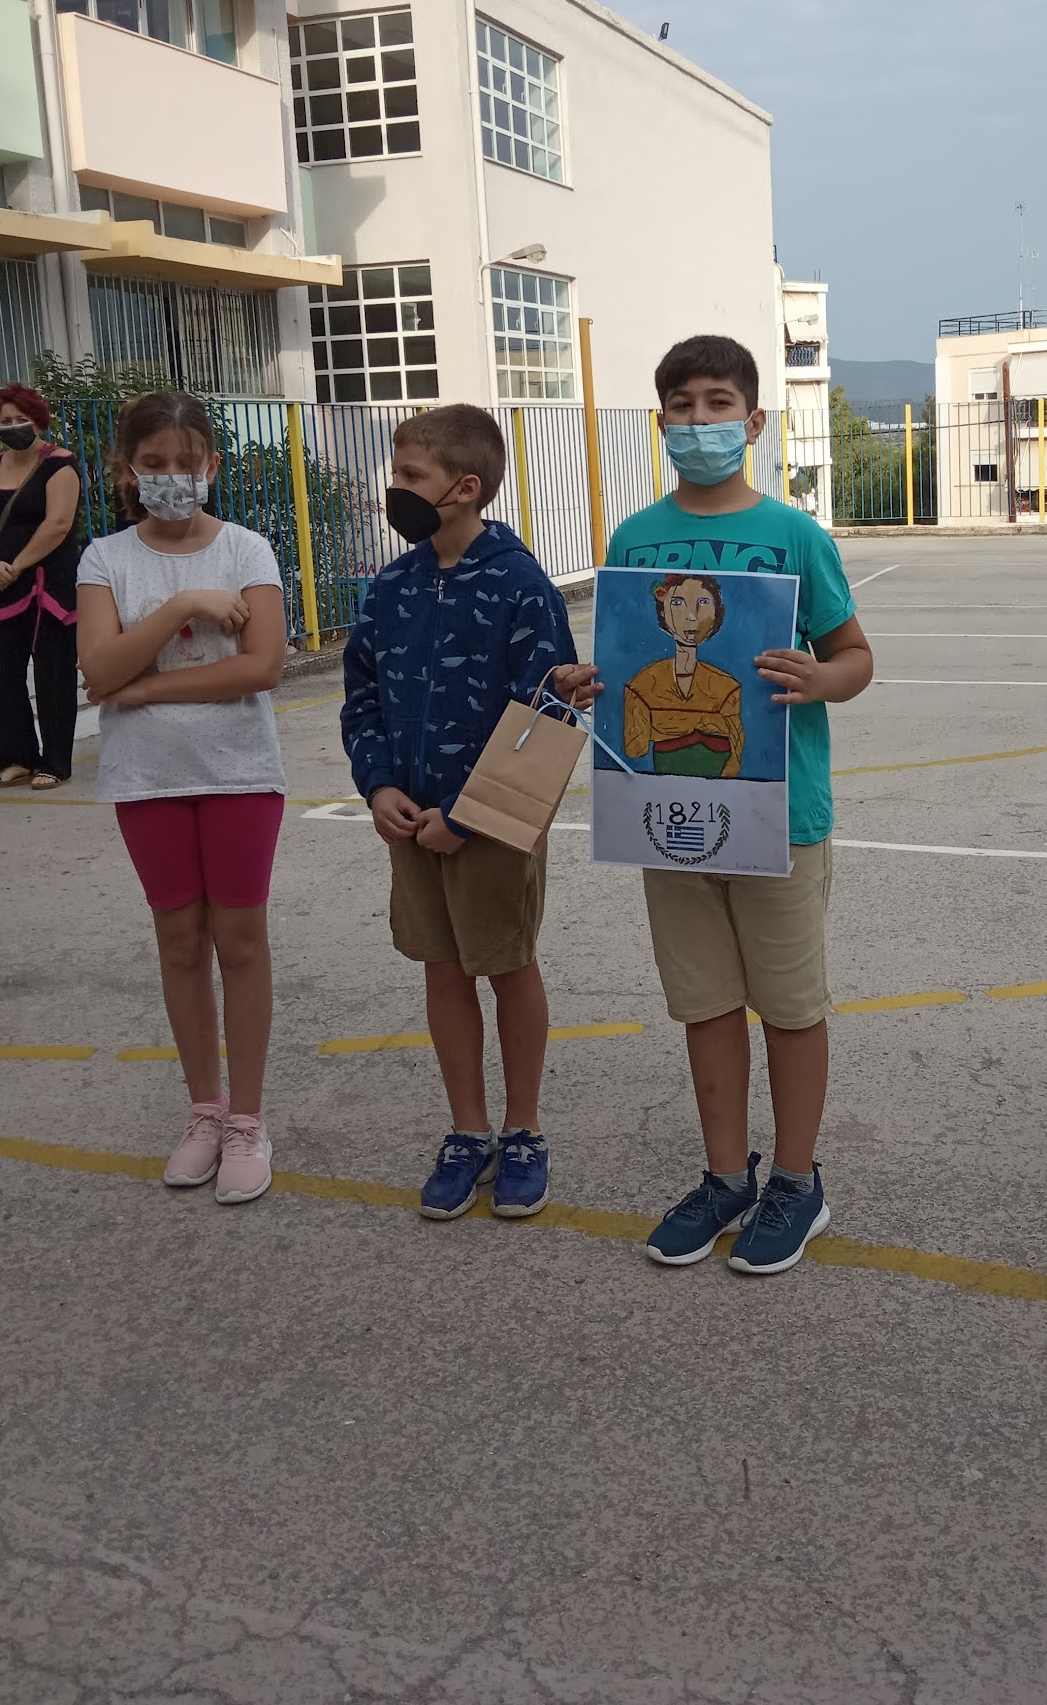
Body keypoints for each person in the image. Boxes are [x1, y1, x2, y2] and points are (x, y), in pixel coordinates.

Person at [555, 334, 873, 1277]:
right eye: (683, 406)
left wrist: (820, 679)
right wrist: (588, 681)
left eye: (719, 404)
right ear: (662, 423)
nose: (701, 421)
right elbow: (622, 664)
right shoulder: (633, 539)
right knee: (704, 1002)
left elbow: (856, 657)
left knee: (790, 1007)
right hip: (665, 811)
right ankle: (727, 1175)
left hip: (781, 813)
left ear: (755, 421)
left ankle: (798, 1182)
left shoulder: (796, 536)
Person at [341, 405, 577, 1224]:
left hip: (492, 825)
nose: (395, 489)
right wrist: (378, 786)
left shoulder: (520, 585)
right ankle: (468, 1131)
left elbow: (548, 715)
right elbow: (361, 698)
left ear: (466, 487)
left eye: (412, 476)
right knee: (442, 970)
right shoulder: (391, 588)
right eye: (396, 472)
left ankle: (523, 1132)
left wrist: (469, 816)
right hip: (410, 821)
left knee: (509, 967)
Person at [77, 392, 288, 1205]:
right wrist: (183, 605)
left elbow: (260, 667)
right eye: (153, 463)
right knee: (178, 943)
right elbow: (99, 669)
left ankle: (248, 1121)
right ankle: (205, 1111)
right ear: (127, 470)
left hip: (238, 773)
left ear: (212, 467)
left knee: (240, 942)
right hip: (147, 779)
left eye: (186, 463)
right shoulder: (104, 559)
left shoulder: (246, 549)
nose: (171, 476)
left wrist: (146, 686)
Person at [0, 382, 83, 790]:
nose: (13, 426)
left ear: (38, 421)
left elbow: (58, 523)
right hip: (1, 585)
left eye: (22, 419)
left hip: (48, 586)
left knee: (53, 673)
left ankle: (55, 762)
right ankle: (14, 758)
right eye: (5, 420)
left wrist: (16, 565)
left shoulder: (59, 464)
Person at [624, 572, 745, 776]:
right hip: (661, 789)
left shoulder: (726, 688)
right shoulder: (642, 686)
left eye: (703, 602)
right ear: (663, 611)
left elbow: (735, 757)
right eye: (678, 603)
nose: (692, 616)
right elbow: (634, 750)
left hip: (718, 788)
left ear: (717, 613)